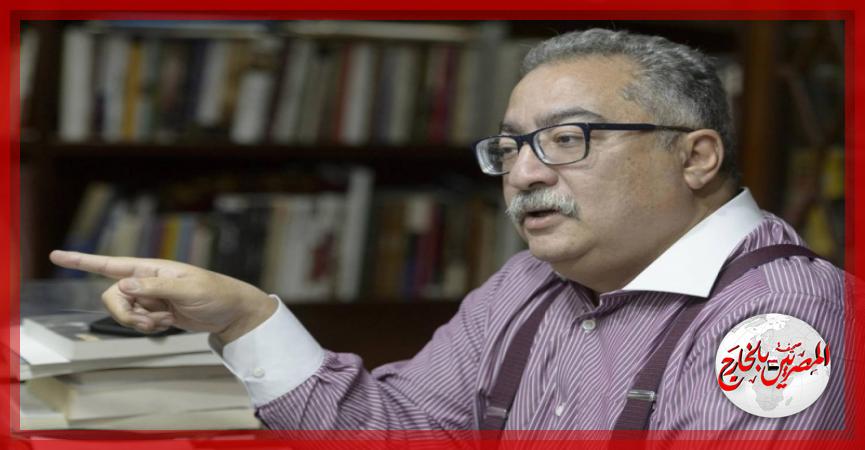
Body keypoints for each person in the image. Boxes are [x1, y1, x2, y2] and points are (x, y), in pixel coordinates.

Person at [50, 28, 846, 436]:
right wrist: (245, 317)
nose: (523, 173)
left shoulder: (783, 323)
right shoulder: (526, 283)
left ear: (695, 156)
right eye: (511, 147)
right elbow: (398, 433)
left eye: (566, 139)